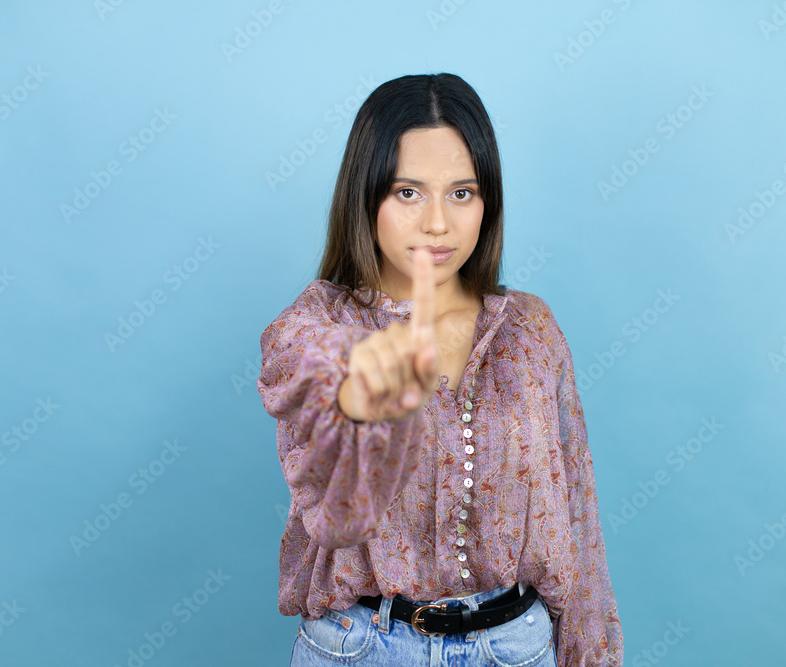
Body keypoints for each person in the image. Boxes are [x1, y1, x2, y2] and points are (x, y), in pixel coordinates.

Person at [257, 73, 622, 667]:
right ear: (366, 194)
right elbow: (303, 363)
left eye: (461, 192)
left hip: (515, 649)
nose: (437, 223)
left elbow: (578, 520)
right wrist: (361, 376)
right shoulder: (315, 323)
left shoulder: (532, 330)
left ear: (488, 201)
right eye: (408, 192)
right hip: (360, 648)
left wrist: (593, 655)